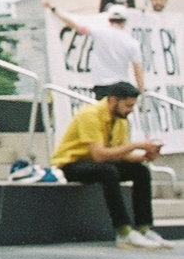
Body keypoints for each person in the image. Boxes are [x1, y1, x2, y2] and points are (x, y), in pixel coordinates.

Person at [49, 81, 170, 250]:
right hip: (70, 165)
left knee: (141, 172)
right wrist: (136, 145)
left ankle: (144, 228)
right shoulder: (90, 115)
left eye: (132, 106)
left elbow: (122, 154)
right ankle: (124, 231)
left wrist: (144, 157)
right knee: (108, 171)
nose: (130, 110)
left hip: (97, 164)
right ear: (113, 100)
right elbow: (99, 155)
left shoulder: (120, 119)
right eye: (127, 105)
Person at [45, 0, 144, 95]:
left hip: (102, 85)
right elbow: (138, 70)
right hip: (122, 86)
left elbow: (76, 25)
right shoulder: (132, 43)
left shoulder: (99, 32)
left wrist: (53, 8)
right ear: (125, 21)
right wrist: (141, 92)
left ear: (109, 19)